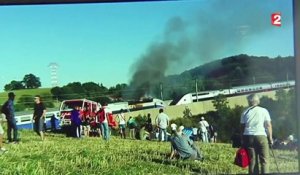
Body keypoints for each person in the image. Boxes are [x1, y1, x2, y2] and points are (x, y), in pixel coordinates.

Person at [241, 94, 273, 175]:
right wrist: (270, 138)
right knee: (264, 160)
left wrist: (242, 139)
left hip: (248, 136)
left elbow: (242, 127)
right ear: (258, 101)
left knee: (252, 161)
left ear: (249, 102)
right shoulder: (264, 110)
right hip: (261, 136)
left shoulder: (245, 112)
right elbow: (268, 125)